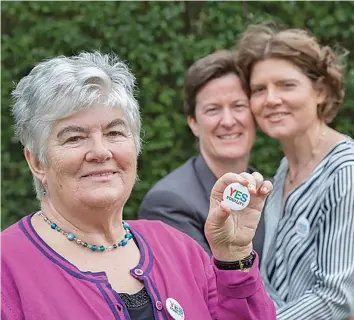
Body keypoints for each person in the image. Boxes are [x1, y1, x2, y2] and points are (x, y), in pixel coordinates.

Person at [1, 51, 276, 320]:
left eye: (114, 133)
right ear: (37, 162)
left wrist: (233, 257)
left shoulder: (179, 249)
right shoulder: (7, 269)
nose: (100, 151)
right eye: (74, 138)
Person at [236, 23, 354, 319]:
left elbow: (337, 298)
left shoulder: (345, 172)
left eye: (286, 85)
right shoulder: (285, 169)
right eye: (259, 89)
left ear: (321, 92)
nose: (271, 99)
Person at [139, 50, 265, 258]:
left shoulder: (268, 190)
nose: (228, 121)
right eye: (213, 109)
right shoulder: (167, 204)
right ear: (193, 123)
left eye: (238, 106)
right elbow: (206, 288)